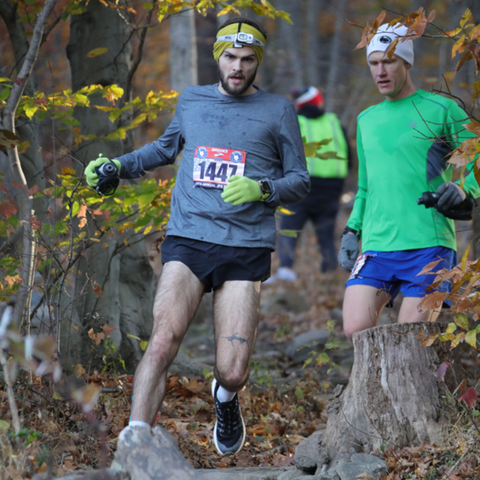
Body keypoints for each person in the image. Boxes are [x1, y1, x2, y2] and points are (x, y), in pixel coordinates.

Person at [85, 17, 309, 455]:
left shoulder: (278, 109)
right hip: (189, 238)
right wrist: (117, 166)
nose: (238, 67)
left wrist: (263, 189)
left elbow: (300, 180)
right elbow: (163, 150)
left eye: (247, 59)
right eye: (230, 57)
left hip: (245, 246)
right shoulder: (191, 101)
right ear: (217, 57)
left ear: (257, 62)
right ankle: (135, 444)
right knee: (163, 338)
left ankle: (225, 398)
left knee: (232, 371)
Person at [337, 23, 480, 340]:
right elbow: (365, 187)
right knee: (355, 329)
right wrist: (351, 231)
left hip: (429, 246)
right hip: (377, 247)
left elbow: (477, 158)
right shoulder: (366, 119)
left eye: (389, 61)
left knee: (411, 338)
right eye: (374, 63)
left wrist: (463, 189)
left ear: (406, 63)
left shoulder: (441, 109)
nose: (381, 71)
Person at [270, 86, 352, 282]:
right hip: (332, 189)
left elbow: (280, 155)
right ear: (318, 102)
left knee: (290, 228)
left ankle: (286, 271)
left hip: (301, 187)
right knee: (326, 233)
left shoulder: (295, 122)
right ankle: (330, 274)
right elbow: (349, 156)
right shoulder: (334, 122)